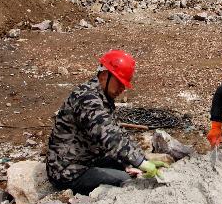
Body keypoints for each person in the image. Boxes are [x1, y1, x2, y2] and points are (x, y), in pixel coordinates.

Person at [46, 49, 167, 195]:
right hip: (68, 170)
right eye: (120, 83)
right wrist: (140, 163)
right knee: (127, 181)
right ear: (104, 75)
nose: (122, 89)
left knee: (127, 165)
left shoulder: (102, 96)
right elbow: (109, 136)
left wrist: (141, 157)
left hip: (88, 157)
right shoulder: (87, 99)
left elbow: (118, 132)